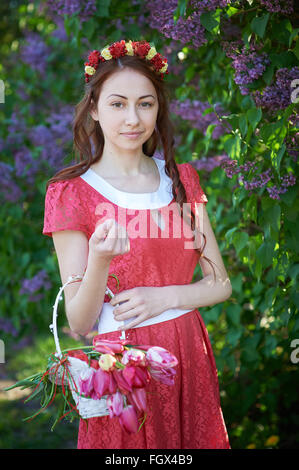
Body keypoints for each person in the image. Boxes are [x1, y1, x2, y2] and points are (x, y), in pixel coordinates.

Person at [42, 39, 232, 449]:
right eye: (117, 104)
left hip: (187, 352)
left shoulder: (182, 180)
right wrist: (99, 259)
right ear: (93, 109)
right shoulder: (71, 193)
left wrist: (164, 298)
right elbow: (79, 320)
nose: (133, 118)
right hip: (122, 367)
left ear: (158, 108)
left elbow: (220, 284)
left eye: (145, 104)